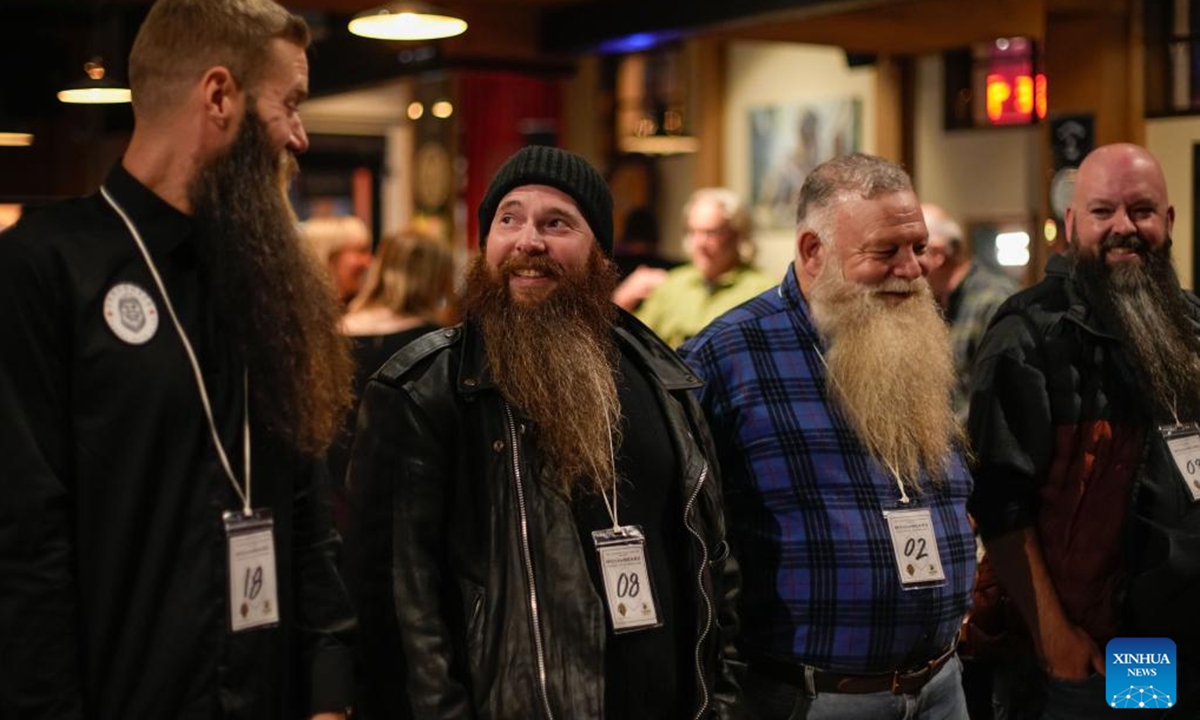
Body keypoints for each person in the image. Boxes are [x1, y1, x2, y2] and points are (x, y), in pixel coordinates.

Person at [0, 1, 356, 717]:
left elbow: (305, 507)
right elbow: (25, 548)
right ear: (219, 96)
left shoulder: (266, 276)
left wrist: (328, 692)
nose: (301, 134)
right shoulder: (44, 270)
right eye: (288, 103)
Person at [345, 145, 744, 720]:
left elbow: (715, 562)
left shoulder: (661, 375)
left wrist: (723, 702)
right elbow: (394, 604)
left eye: (556, 222)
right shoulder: (423, 390)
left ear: (600, 251)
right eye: (509, 219)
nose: (527, 241)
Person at [680, 153, 976, 719]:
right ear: (814, 252)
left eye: (917, 248)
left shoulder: (912, 337)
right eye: (884, 252)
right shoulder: (726, 357)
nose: (912, 269)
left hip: (942, 685)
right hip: (810, 698)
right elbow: (690, 540)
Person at [968, 142, 1200, 717]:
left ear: (1168, 221)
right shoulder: (1028, 335)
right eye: (1103, 212)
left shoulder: (1192, 323)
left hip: (1185, 640)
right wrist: (1055, 641)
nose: (1125, 227)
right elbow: (1000, 506)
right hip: (1099, 652)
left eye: (1142, 210)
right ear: (1072, 223)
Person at [327, 228, 456, 522]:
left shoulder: (333, 333)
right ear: (436, 278)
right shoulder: (435, 345)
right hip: (407, 505)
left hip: (337, 498)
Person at [621, 187, 774, 347]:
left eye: (711, 233)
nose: (699, 243)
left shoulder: (763, 291)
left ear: (736, 234)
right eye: (693, 232)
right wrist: (624, 297)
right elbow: (636, 343)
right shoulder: (672, 283)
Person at [922, 203, 1018, 424]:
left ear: (937, 254)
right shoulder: (936, 302)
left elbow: (998, 399)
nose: (907, 264)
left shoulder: (993, 300)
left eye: (917, 249)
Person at [302, 214, 374, 305]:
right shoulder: (303, 312)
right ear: (330, 257)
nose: (368, 261)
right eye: (360, 252)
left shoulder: (361, 308)